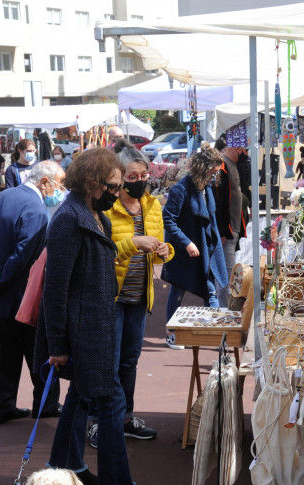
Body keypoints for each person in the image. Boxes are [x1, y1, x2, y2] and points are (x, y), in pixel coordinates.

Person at [39, 147, 160, 485]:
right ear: (91, 182)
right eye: (112, 185)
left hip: (99, 326)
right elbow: (54, 290)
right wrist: (58, 345)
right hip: (85, 331)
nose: (117, 191)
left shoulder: (96, 215)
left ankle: (67, 466)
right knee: (111, 401)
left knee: (80, 397)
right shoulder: (68, 221)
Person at [82, 143, 174, 449]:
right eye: (132, 176)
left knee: (130, 361)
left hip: (139, 296)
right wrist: (134, 244)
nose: (140, 180)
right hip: (112, 296)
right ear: (119, 178)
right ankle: (98, 421)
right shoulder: (105, 208)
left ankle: (124, 418)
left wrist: (164, 250)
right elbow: (100, 255)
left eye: (144, 174)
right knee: (109, 361)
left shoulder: (153, 205)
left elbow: (160, 252)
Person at [0, 160, 64, 425]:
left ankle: (3, 404)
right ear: (45, 182)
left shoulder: (3, 197)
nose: (62, 189)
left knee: (8, 351)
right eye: (61, 183)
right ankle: (45, 404)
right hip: (21, 295)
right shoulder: (37, 209)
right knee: (38, 351)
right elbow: (20, 259)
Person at [161, 144, 227, 349]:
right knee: (178, 290)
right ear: (203, 168)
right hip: (184, 252)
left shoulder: (206, 188)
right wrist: (187, 242)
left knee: (211, 291)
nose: (215, 177)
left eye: (217, 173)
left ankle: (216, 335)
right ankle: (172, 334)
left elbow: (210, 219)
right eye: (213, 172)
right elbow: (168, 219)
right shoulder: (181, 188)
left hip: (205, 249)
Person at [213, 142, 249, 308]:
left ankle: (225, 311)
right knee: (226, 278)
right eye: (245, 150)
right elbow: (219, 203)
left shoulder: (232, 165)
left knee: (227, 275)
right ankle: (224, 313)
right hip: (226, 232)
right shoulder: (223, 166)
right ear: (237, 148)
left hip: (231, 231)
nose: (247, 154)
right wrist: (222, 231)